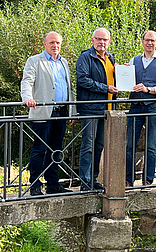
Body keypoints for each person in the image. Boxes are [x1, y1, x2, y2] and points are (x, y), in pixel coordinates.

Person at [21, 31, 76, 196]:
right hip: (43, 112)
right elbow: (27, 81)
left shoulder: (63, 62)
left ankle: (52, 184)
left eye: (58, 43)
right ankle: (35, 185)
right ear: (44, 44)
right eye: (52, 43)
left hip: (61, 113)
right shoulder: (35, 61)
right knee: (39, 149)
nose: (55, 46)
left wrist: (72, 111)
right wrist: (28, 98)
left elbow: (69, 89)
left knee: (56, 150)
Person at [125, 30, 156, 190]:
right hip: (136, 106)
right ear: (142, 41)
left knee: (151, 145)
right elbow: (127, 82)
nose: (149, 43)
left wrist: (148, 89)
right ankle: (128, 180)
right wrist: (123, 73)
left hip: (153, 107)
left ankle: (148, 180)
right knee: (130, 144)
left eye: (153, 40)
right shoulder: (134, 60)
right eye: (147, 40)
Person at [76, 28, 118, 191]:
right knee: (88, 145)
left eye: (105, 40)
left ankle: (93, 180)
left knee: (99, 145)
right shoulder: (86, 57)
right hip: (90, 108)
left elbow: (114, 81)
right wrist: (105, 88)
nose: (102, 42)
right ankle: (85, 182)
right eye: (99, 39)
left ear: (109, 41)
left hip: (106, 109)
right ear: (92, 40)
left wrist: (123, 72)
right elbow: (83, 80)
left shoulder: (110, 58)